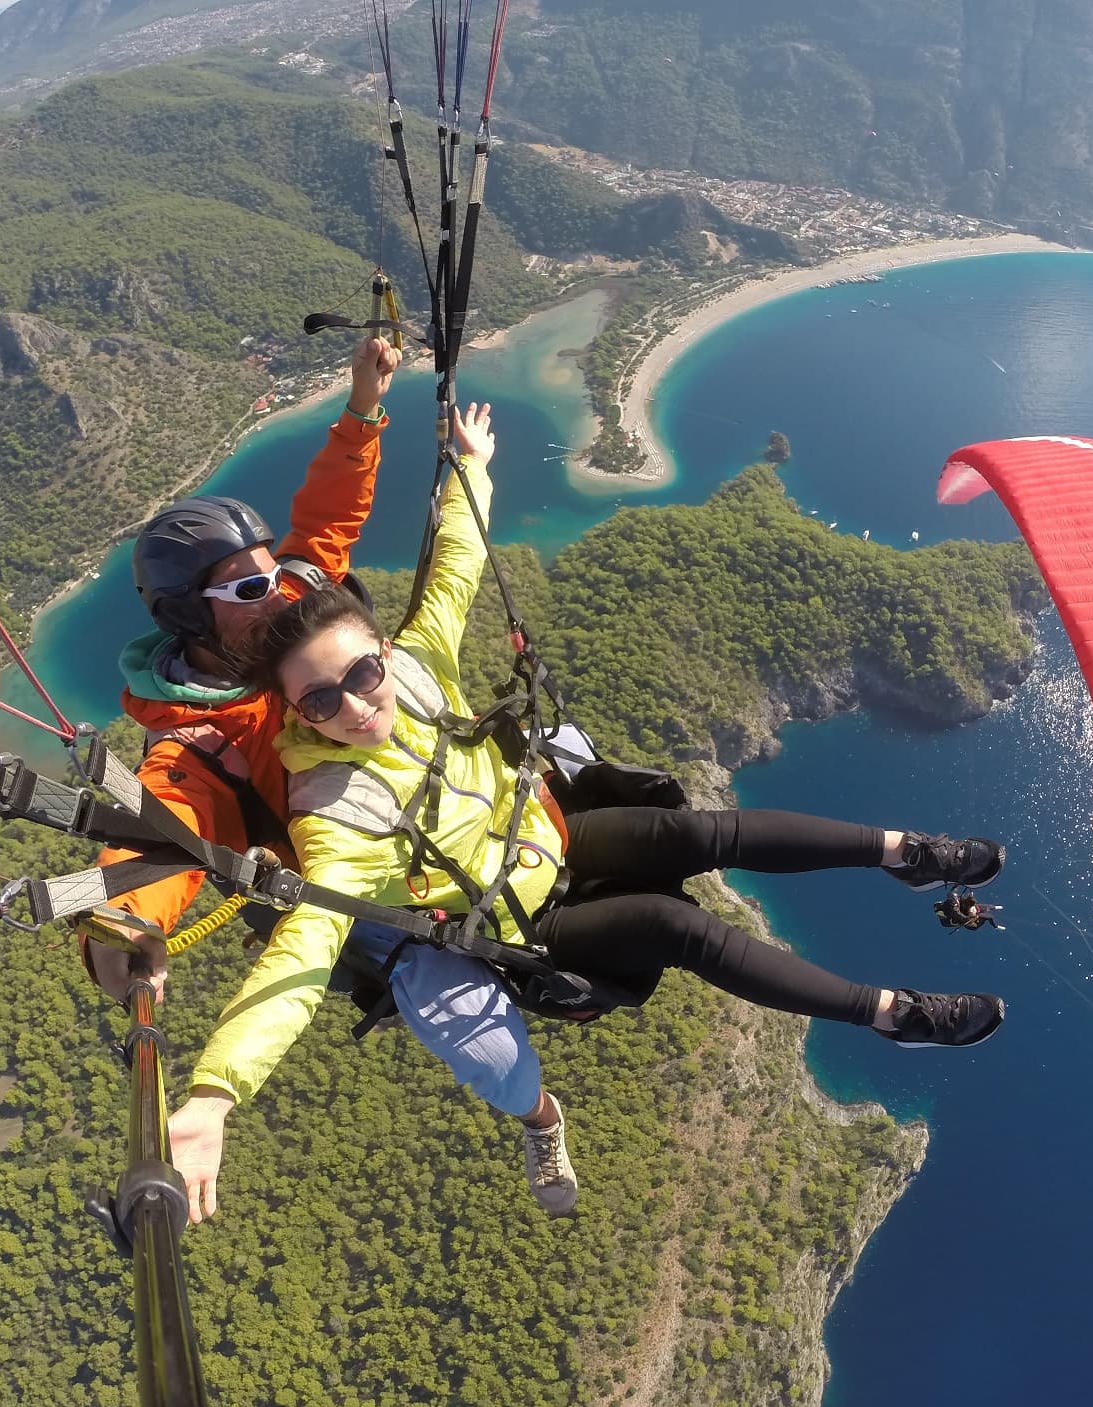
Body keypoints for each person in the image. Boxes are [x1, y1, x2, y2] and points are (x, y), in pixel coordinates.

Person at [163, 402, 1008, 1220]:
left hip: (548, 835)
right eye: (318, 703)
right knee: (685, 933)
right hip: (519, 921)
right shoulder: (331, 811)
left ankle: (906, 852)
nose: (353, 707)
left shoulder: (416, 667)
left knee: (703, 834)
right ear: (294, 716)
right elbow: (301, 960)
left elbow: (457, 561)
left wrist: (473, 470)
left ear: (384, 653)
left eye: (360, 676)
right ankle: (894, 1016)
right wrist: (214, 1094)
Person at [83, 342, 578, 1216]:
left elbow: (327, 522)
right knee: (480, 1046)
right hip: (362, 878)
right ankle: (539, 1117)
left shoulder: (287, 605)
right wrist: (120, 928)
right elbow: (161, 830)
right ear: (191, 620)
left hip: (435, 789)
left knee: (606, 781)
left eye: (269, 575)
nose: (275, 595)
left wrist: (361, 410)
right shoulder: (200, 737)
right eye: (244, 593)